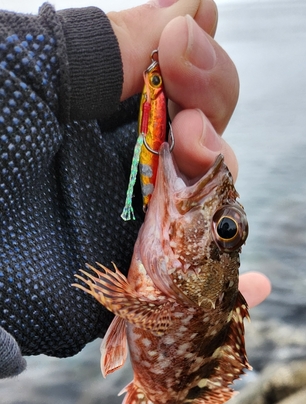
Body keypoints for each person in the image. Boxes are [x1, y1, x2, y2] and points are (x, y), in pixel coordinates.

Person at [0, 0, 271, 378]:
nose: (222, 223)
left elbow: (141, 306)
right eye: (227, 227)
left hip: (162, 369)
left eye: (225, 229)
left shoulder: (177, 292)